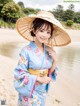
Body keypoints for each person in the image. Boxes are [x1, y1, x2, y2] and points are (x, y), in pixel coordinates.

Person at [14, 11, 71, 106]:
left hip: (42, 90)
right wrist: (38, 79)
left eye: (48, 32)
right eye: (41, 30)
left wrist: (55, 59)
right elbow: (19, 74)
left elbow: (50, 73)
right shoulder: (26, 51)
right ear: (34, 29)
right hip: (29, 89)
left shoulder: (49, 51)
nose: (44, 35)